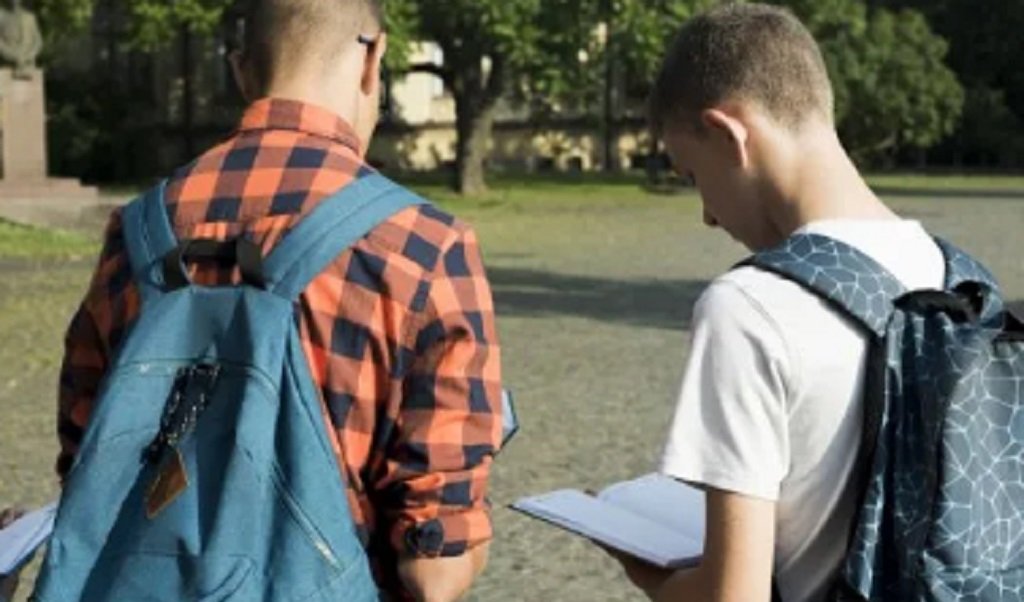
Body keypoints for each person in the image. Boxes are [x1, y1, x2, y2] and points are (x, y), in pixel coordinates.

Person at [0, 0, 502, 600]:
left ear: (241, 70)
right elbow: (433, 571)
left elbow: (88, 468)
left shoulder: (135, 232)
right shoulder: (425, 248)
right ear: (373, 59)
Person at [603, 4, 946, 601]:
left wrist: (653, 577)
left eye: (691, 174)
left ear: (730, 134)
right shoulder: (959, 280)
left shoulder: (749, 308)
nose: (707, 214)